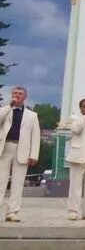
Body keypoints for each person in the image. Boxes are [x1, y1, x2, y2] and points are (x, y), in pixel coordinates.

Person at [0, 85, 41, 223]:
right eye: (15, 93)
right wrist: (9, 106)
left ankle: (12, 212)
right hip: (5, 147)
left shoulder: (32, 115)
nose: (17, 95)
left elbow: (35, 136)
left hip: (22, 149)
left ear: (25, 96)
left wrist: (34, 154)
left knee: (18, 183)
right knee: (1, 180)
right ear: (11, 95)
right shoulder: (4, 111)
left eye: (20, 93)